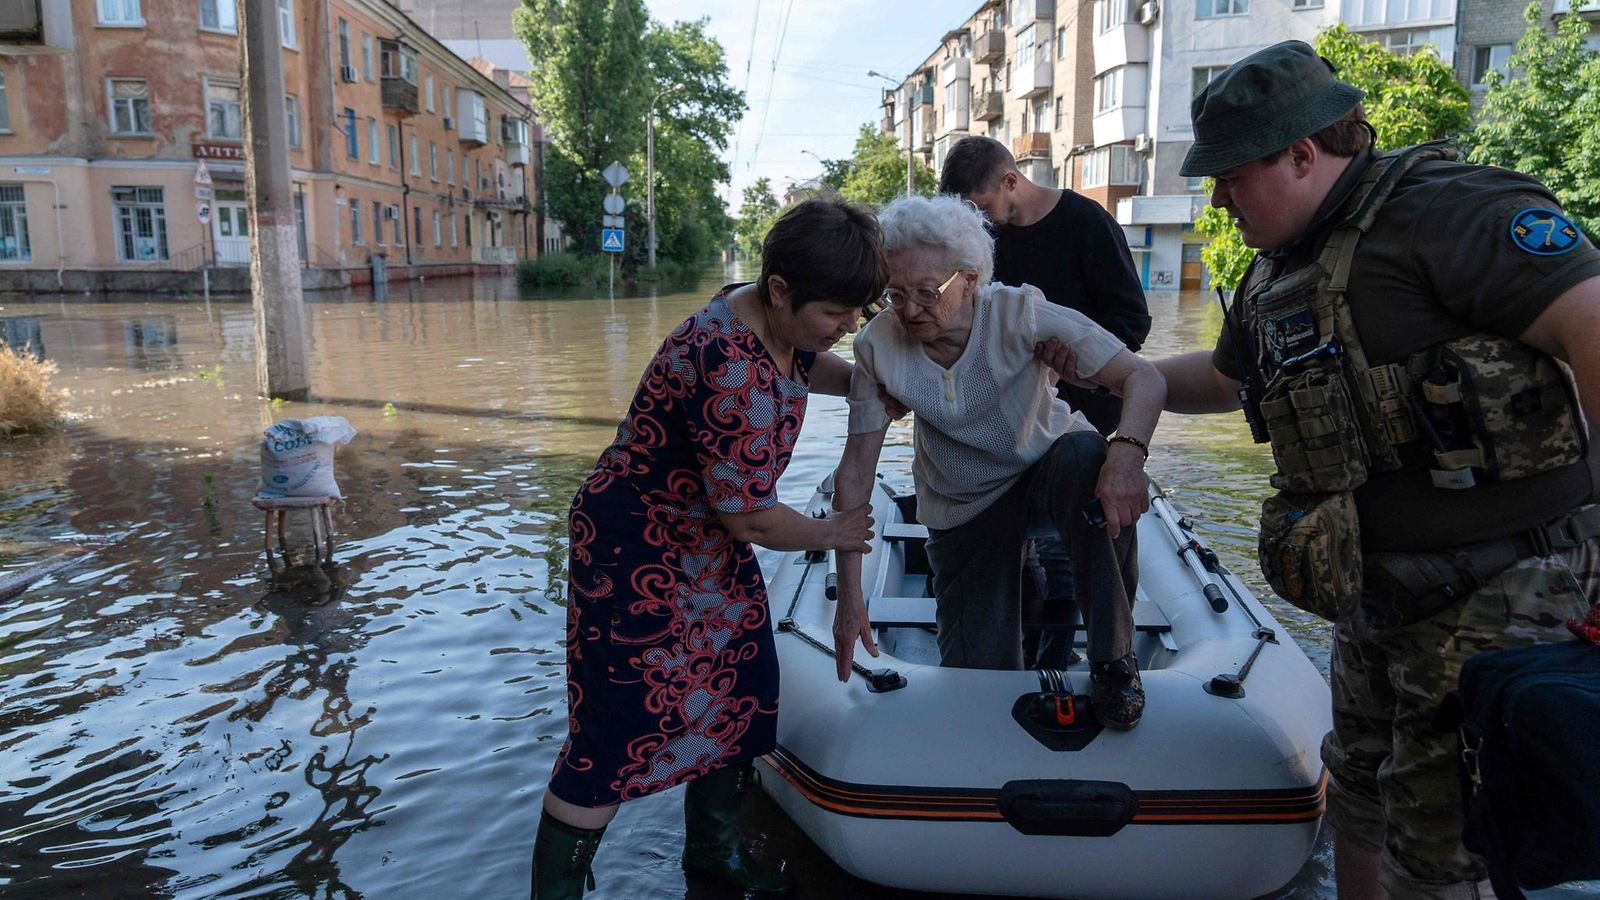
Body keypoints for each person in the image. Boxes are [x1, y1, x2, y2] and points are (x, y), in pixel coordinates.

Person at [1144, 39, 1600, 900]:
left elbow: (1591, 319)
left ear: (1301, 154)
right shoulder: (1278, 268)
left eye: (1231, 177)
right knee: (1359, 792)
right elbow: (1225, 380)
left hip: (1505, 591)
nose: (1219, 199)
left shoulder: (1452, 210)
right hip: (1374, 597)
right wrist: (1113, 378)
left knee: (1442, 843)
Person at [532, 198, 889, 899]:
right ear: (781, 289)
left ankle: (712, 852)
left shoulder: (765, 313)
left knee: (744, 690)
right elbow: (751, 521)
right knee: (614, 730)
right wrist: (833, 532)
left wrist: (860, 384)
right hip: (635, 550)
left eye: (859, 311)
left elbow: (804, 359)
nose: (850, 326)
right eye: (837, 312)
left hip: (703, 539)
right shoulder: (726, 362)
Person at [829, 193, 1166, 730]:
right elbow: (855, 473)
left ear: (970, 279)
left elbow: (1143, 377)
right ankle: (1016, 593)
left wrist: (1127, 455)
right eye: (895, 294)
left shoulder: (1019, 313)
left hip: (1047, 471)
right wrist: (850, 600)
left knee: (1088, 455)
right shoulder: (877, 345)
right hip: (961, 502)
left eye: (927, 292)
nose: (910, 311)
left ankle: (1114, 660)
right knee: (977, 681)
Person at [940, 137, 1153, 667]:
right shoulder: (977, 242)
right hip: (1000, 423)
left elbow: (1132, 320)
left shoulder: (1086, 222)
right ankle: (1022, 647)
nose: (975, 227)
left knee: (1068, 544)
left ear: (1011, 181)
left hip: (1079, 412)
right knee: (1011, 549)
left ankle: (1068, 657)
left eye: (981, 210)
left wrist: (1080, 355)